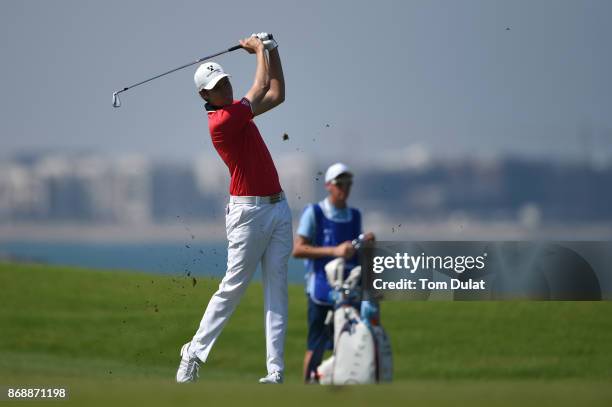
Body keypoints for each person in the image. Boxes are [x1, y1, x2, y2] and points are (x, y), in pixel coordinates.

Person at [176, 33, 292, 384]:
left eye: (225, 81)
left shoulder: (237, 113)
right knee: (234, 287)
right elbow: (258, 87)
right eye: (217, 86)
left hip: (278, 207)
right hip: (248, 213)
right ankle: (193, 352)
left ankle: (275, 372)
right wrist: (259, 51)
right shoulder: (222, 122)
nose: (224, 88)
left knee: (277, 287)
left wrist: (273, 51)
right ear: (204, 96)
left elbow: (276, 93)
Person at [292, 163, 375, 382]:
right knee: (315, 348)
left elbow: (355, 253)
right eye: (339, 183)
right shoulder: (315, 213)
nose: (344, 188)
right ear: (329, 185)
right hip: (321, 291)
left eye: (348, 183)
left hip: (349, 293)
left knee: (348, 348)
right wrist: (334, 251)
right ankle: (308, 393)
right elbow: (298, 249)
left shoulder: (355, 215)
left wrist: (364, 245)